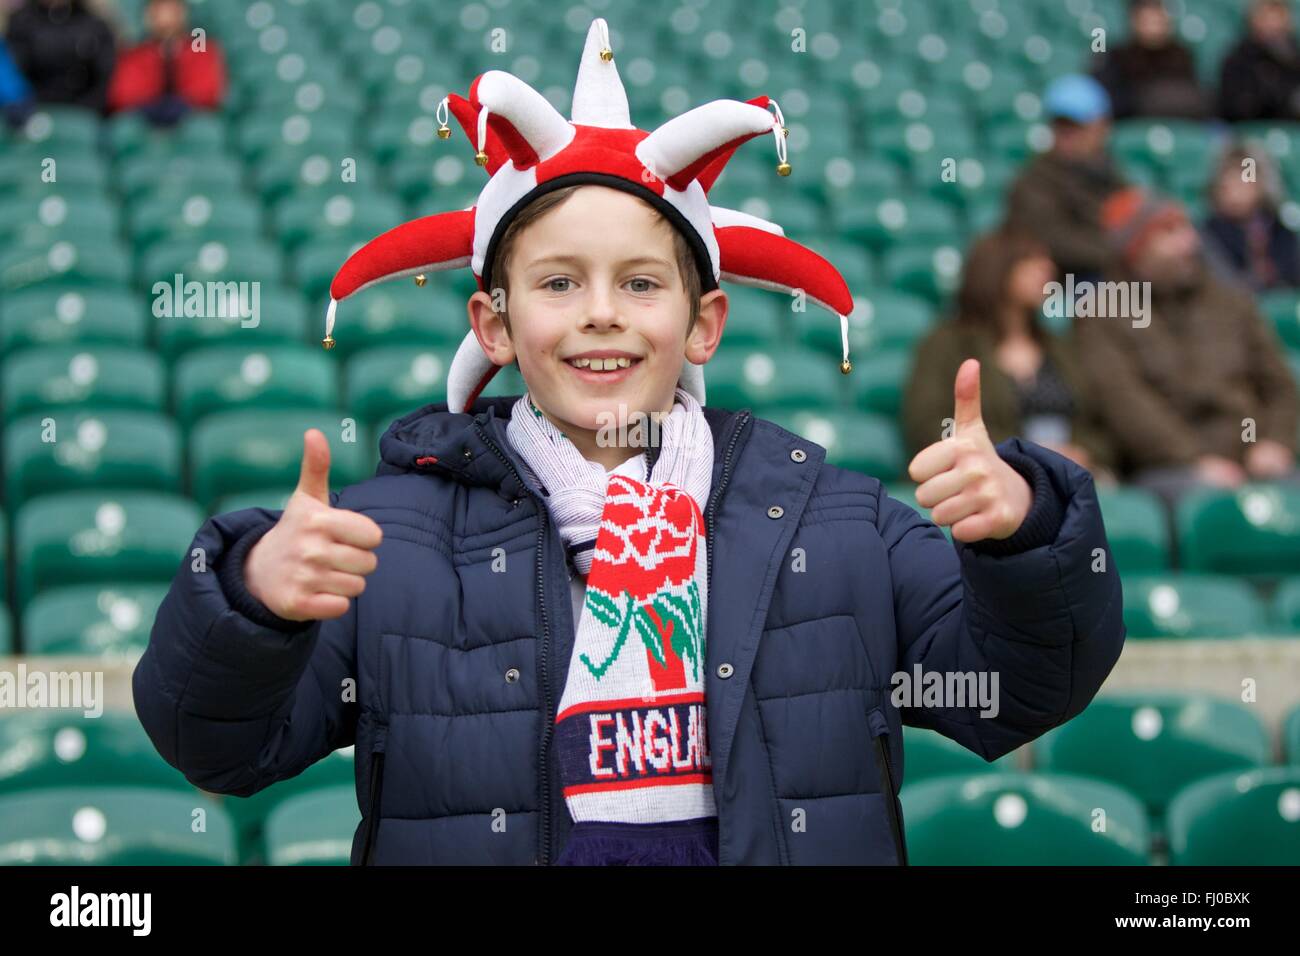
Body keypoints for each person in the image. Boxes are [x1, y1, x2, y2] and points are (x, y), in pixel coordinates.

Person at [132, 18, 1125, 866]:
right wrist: (253, 600)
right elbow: (217, 746)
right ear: (493, 324)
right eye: (559, 282)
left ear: (703, 324)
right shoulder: (386, 534)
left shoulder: (840, 519)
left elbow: (1019, 691)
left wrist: (1026, 536)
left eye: (642, 283)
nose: (600, 314)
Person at [1076, 187, 1300, 511]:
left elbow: (1279, 386)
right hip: (1168, 468)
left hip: (1255, 458)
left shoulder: (1232, 303)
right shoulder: (1103, 313)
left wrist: (1276, 443)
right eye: (1168, 233)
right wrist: (1195, 460)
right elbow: (1126, 406)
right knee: (1203, 503)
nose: (1189, 243)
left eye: (1185, 228)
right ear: (1136, 249)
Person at [904, 226, 1116, 484]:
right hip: (984, 477)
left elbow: (1098, 425)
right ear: (997, 269)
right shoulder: (946, 344)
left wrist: (1083, 452)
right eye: (1031, 261)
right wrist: (1019, 454)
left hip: (1066, 478)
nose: (1047, 269)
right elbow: (927, 422)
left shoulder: (1060, 346)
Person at [1006, 74, 1128, 281]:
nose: (1067, 135)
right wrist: (1118, 252)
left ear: (1102, 127)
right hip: (1064, 283)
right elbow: (1051, 239)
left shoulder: (1113, 176)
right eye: (1060, 125)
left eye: (1076, 126)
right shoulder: (1034, 179)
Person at [1201, 141, 1300, 291]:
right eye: (1227, 181)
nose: (1233, 190)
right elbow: (1229, 286)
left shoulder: (1280, 232)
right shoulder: (1209, 234)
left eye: (1242, 180)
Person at [106, 0, 225, 124]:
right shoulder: (134, 53)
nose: (165, 16)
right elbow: (123, 95)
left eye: (172, 9)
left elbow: (207, 93)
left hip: (189, 124)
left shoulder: (202, 51)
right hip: (144, 125)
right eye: (158, 9)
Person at [1093, 0, 1209, 120]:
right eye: (1147, 21)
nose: (1153, 27)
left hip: (1179, 125)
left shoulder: (1181, 55)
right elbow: (1111, 103)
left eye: (1158, 21)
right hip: (1132, 125)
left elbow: (1194, 100)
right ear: (1134, 21)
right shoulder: (1117, 57)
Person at [4, 0, 116, 111]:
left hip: (83, 110)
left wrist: (88, 110)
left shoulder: (94, 24)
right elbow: (14, 76)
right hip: (35, 112)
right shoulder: (21, 23)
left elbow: (104, 78)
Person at [1220, 0, 1300, 122]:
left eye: (1278, 20)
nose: (1273, 27)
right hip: (1250, 129)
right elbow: (1237, 107)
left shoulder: (1293, 59)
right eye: (1268, 19)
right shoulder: (1239, 59)